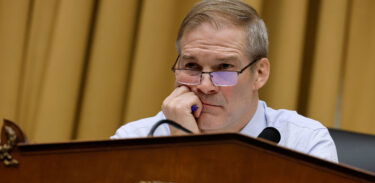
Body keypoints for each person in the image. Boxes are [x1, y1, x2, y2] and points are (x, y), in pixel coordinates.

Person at [111, 0, 338, 162]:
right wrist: (182, 142)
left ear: (259, 74)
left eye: (224, 68)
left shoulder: (302, 142)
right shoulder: (135, 139)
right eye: (192, 66)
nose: (205, 86)